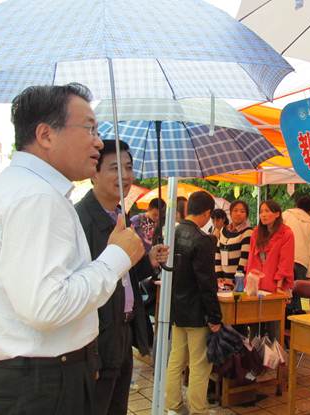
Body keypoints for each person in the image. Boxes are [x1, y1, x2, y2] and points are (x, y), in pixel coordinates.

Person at [0, 83, 145, 415]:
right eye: (89, 128)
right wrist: (116, 258)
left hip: (32, 380)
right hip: (41, 385)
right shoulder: (35, 196)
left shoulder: (21, 189)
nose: (98, 142)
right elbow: (47, 306)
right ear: (46, 135)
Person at [74, 140, 169, 415]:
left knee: (118, 407)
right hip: (97, 338)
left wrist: (149, 260)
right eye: (115, 168)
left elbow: (124, 274)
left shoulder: (122, 217)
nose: (125, 176)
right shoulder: (80, 220)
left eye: (128, 168)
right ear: (94, 173)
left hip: (123, 331)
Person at [165, 191, 222, 415]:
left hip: (177, 310)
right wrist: (215, 317)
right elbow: (207, 283)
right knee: (200, 364)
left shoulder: (172, 233)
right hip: (197, 312)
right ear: (207, 213)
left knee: (176, 360)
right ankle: (198, 410)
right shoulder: (202, 240)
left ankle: (173, 406)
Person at [246, 200, 294, 294]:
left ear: (277, 214)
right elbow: (251, 259)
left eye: (267, 211)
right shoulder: (256, 233)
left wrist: (279, 286)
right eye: (261, 212)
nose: (263, 215)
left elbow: (285, 263)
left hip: (276, 285)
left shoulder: (286, 233)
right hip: (256, 284)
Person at [282, 195, 310, 310]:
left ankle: (284, 317)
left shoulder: (285, 215)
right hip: (301, 263)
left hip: (284, 259)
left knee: (282, 293)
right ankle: (294, 316)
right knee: (296, 294)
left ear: (296, 205)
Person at [214, 200, 252, 285]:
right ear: (230, 213)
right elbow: (217, 253)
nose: (238, 213)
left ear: (246, 216)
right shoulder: (223, 230)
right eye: (235, 210)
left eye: (242, 211)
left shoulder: (248, 233)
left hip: (237, 282)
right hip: (222, 281)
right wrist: (219, 276)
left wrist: (236, 280)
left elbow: (244, 259)